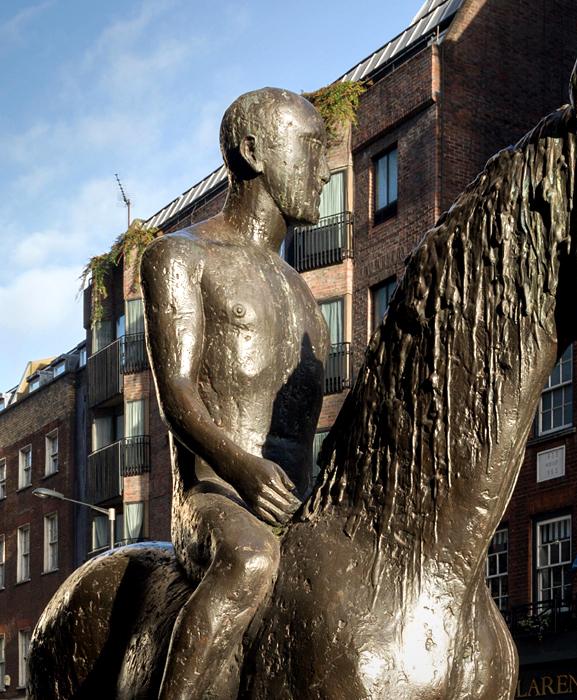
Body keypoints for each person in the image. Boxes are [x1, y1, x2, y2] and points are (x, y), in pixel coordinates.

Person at [140, 87, 331, 699]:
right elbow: (175, 394)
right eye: (310, 149)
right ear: (252, 151)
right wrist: (243, 470)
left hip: (298, 499)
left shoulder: (305, 296)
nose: (323, 169)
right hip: (215, 496)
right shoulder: (180, 256)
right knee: (249, 561)